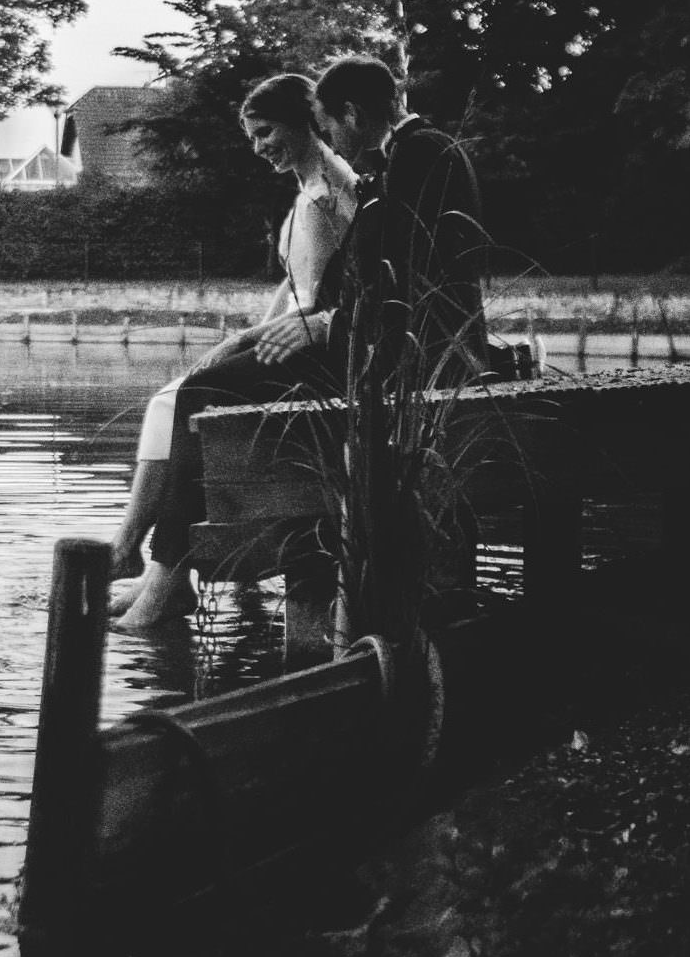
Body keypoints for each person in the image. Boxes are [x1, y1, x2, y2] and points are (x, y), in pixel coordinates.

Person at [112, 55, 488, 631]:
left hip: (395, 360)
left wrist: (328, 324)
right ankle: (164, 572)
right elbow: (376, 270)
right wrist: (320, 321)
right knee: (201, 389)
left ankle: (166, 578)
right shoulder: (409, 155)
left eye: (327, 122)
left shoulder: (417, 156)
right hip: (374, 348)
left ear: (353, 114)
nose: (328, 138)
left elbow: (419, 278)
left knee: (200, 392)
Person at [108, 72, 358, 592]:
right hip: (296, 337)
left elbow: (317, 307)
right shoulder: (306, 192)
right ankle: (138, 554)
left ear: (304, 121)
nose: (259, 147)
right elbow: (292, 290)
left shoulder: (328, 194)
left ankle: (156, 567)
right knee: (167, 399)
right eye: (252, 137)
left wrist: (236, 344)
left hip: (322, 353)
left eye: (266, 131)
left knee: (192, 396)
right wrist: (245, 337)